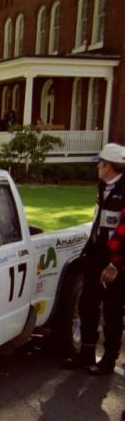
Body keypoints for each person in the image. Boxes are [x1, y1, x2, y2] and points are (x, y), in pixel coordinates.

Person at [63, 143, 125, 375]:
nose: (97, 167)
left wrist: (115, 264)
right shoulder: (103, 187)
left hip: (116, 261)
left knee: (113, 310)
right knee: (87, 304)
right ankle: (86, 352)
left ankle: (108, 360)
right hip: (97, 254)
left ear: (108, 166)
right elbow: (100, 223)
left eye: (99, 163)